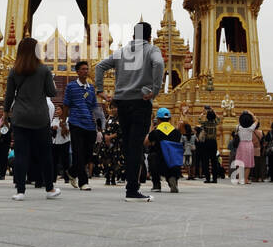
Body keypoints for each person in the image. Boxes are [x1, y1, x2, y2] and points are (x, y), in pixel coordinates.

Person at [95, 22, 164, 203]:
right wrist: (155, 90)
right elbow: (158, 64)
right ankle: (132, 189)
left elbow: (99, 66)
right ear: (149, 37)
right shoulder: (152, 50)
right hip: (141, 102)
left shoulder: (122, 52)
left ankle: (131, 186)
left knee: (128, 145)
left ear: (133, 36)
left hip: (122, 104)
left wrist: (100, 90)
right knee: (135, 147)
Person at [4, 36, 60, 201]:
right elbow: (52, 92)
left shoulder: (14, 71)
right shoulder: (43, 70)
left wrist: (6, 114)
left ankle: (20, 191)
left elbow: (8, 96)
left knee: (21, 155)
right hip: (40, 117)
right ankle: (49, 188)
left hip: (20, 116)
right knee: (45, 154)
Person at [63, 60, 101, 190]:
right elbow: (66, 105)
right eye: (83, 69)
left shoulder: (91, 88)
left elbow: (94, 106)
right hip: (76, 122)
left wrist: (99, 122)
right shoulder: (71, 86)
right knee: (78, 153)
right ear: (78, 72)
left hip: (90, 124)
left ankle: (72, 172)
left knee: (88, 154)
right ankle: (83, 182)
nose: (86, 71)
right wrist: (64, 123)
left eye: (87, 69)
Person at [146, 107, 185, 192]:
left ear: (158, 119)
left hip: (158, 160)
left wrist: (152, 126)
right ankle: (172, 179)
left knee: (152, 156)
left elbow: (146, 142)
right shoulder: (176, 132)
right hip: (173, 161)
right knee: (172, 168)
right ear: (170, 119)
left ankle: (156, 185)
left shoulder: (156, 131)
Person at [231, 111, 259, 183]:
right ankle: (245, 179)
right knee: (248, 164)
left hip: (240, 145)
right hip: (249, 145)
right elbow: (256, 120)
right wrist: (251, 114)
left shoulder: (238, 127)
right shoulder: (251, 128)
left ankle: (240, 179)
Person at [197, 107, 220, 183]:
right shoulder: (215, 123)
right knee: (214, 161)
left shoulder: (205, 123)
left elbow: (199, 120)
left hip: (206, 142)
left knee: (206, 161)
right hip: (213, 142)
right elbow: (219, 119)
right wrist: (214, 112)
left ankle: (207, 178)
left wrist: (202, 113)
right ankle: (215, 178)